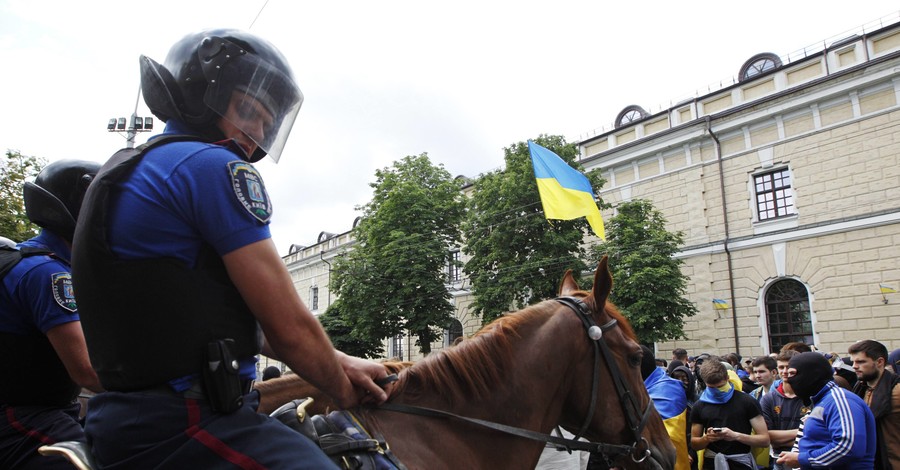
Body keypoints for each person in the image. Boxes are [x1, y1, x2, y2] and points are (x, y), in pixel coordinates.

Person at [71, 29, 393, 469]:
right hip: (188, 424)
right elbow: (290, 327)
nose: (257, 134)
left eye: (268, 123)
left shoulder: (134, 166)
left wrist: (341, 362)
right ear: (202, 93)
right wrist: (341, 389)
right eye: (248, 111)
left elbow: (217, 325)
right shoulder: (211, 167)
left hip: (128, 419)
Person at [0, 160, 104, 468]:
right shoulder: (49, 274)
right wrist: (173, 395)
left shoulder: (35, 260)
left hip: (45, 410)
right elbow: (87, 371)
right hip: (22, 416)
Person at [775, 352, 875, 469]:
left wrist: (801, 459)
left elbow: (848, 447)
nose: (788, 379)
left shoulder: (840, 399)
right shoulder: (822, 401)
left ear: (811, 374)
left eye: (792, 373)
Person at [690, 358, 769, 470]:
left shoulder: (747, 401)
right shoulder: (699, 406)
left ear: (728, 378)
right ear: (705, 383)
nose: (717, 390)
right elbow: (694, 443)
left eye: (720, 386)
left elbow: (764, 440)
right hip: (711, 463)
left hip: (740, 463)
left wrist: (735, 436)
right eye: (712, 388)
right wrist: (707, 438)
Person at [848, 339, 900, 469]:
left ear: (880, 362)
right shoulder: (859, 390)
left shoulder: (897, 390)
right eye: (853, 362)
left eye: (860, 361)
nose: (854, 366)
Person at [760, 350, 806, 470]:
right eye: (781, 367)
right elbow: (765, 436)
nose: (785, 372)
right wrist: (802, 431)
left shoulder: (810, 397)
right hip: (778, 459)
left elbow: (817, 436)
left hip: (804, 458)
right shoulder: (768, 399)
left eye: (789, 367)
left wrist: (780, 438)